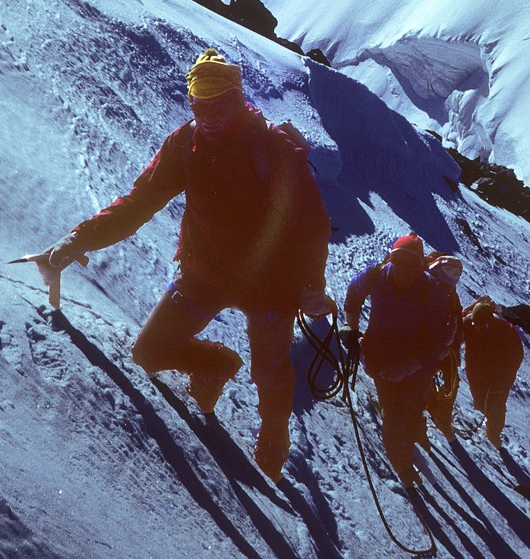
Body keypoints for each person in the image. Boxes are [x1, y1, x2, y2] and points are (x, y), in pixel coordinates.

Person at [42, 48, 334, 483]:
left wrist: (311, 284)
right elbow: (140, 202)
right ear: (191, 104)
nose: (212, 114)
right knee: (148, 352)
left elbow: (311, 223)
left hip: (270, 284)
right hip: (207, 272)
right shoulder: (186, 144)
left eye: (223, 103)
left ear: (239, 98)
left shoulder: (272, 146)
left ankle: (275, 433)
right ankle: (216, 364)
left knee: (269, 372)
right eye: (202, 105)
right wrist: (81, 237)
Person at [343, 232, 457, 488]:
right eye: (398, 261)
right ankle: (404, 467)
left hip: (416, 369)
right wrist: (351, 328)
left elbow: (436, 341)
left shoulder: (432, 291)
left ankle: (417, 431)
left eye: (411, 264)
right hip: (382, 363)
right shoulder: (376, 274)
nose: (403, 270)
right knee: (394, 418)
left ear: (420, 265)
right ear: (391, 258)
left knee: (413, 407)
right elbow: (353, 291)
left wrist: (406, 368)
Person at [462, 296, 524, 447]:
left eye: (481, 326)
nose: (478, 328)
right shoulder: (469, 324)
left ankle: (493, 435)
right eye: (476, 325)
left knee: (496, 408)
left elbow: (516, 358)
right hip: (477, 374)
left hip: (498, 380)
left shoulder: (505, 331)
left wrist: (503, 381)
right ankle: (485, 420)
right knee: (481, 402)